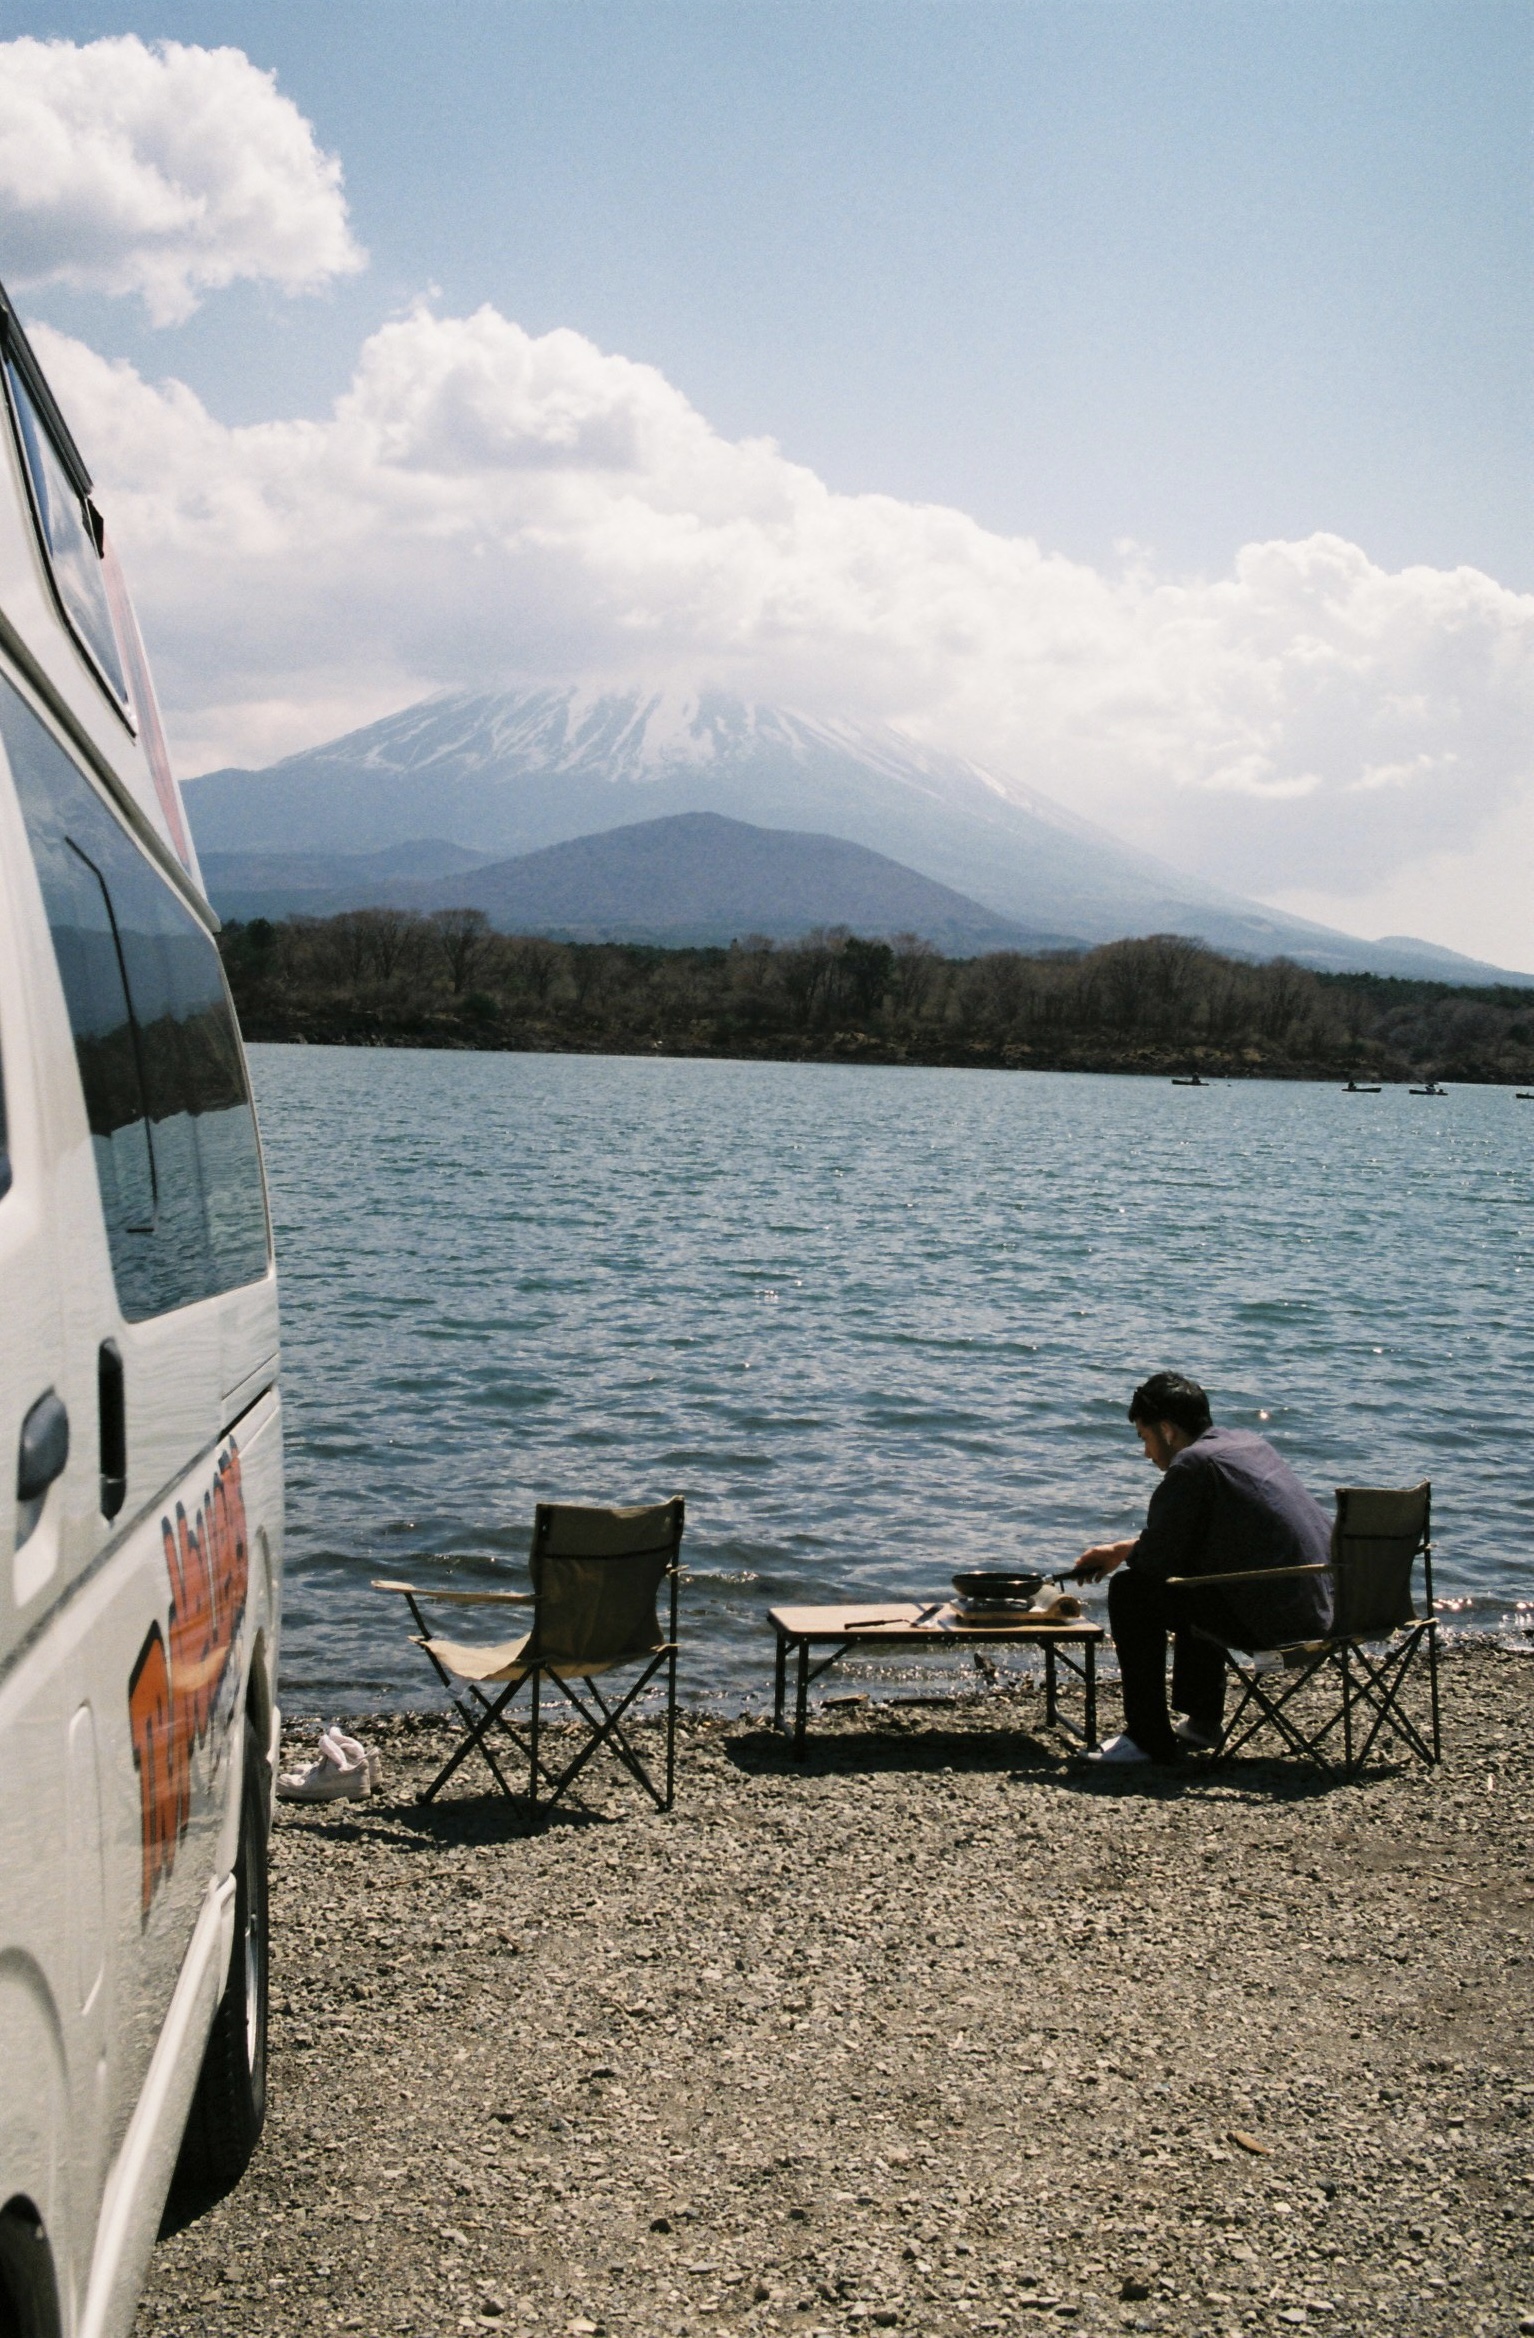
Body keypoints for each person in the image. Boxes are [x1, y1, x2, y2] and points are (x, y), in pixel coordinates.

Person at [1071, 1372, 1333, 1765]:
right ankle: (1202, 1722)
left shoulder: (1192, 1465)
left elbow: (1157, 1563)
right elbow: (1191, 1538)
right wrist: (1122, 1549)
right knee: (1194, 1575)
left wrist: (1127, 1558)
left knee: (1131, 1592)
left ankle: (1146, 1738)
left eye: (1144, 1438)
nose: (1146, 1453)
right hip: (1328, 1609)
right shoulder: (1246, 1444)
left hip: (1281, 1625)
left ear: (1167, 1430)